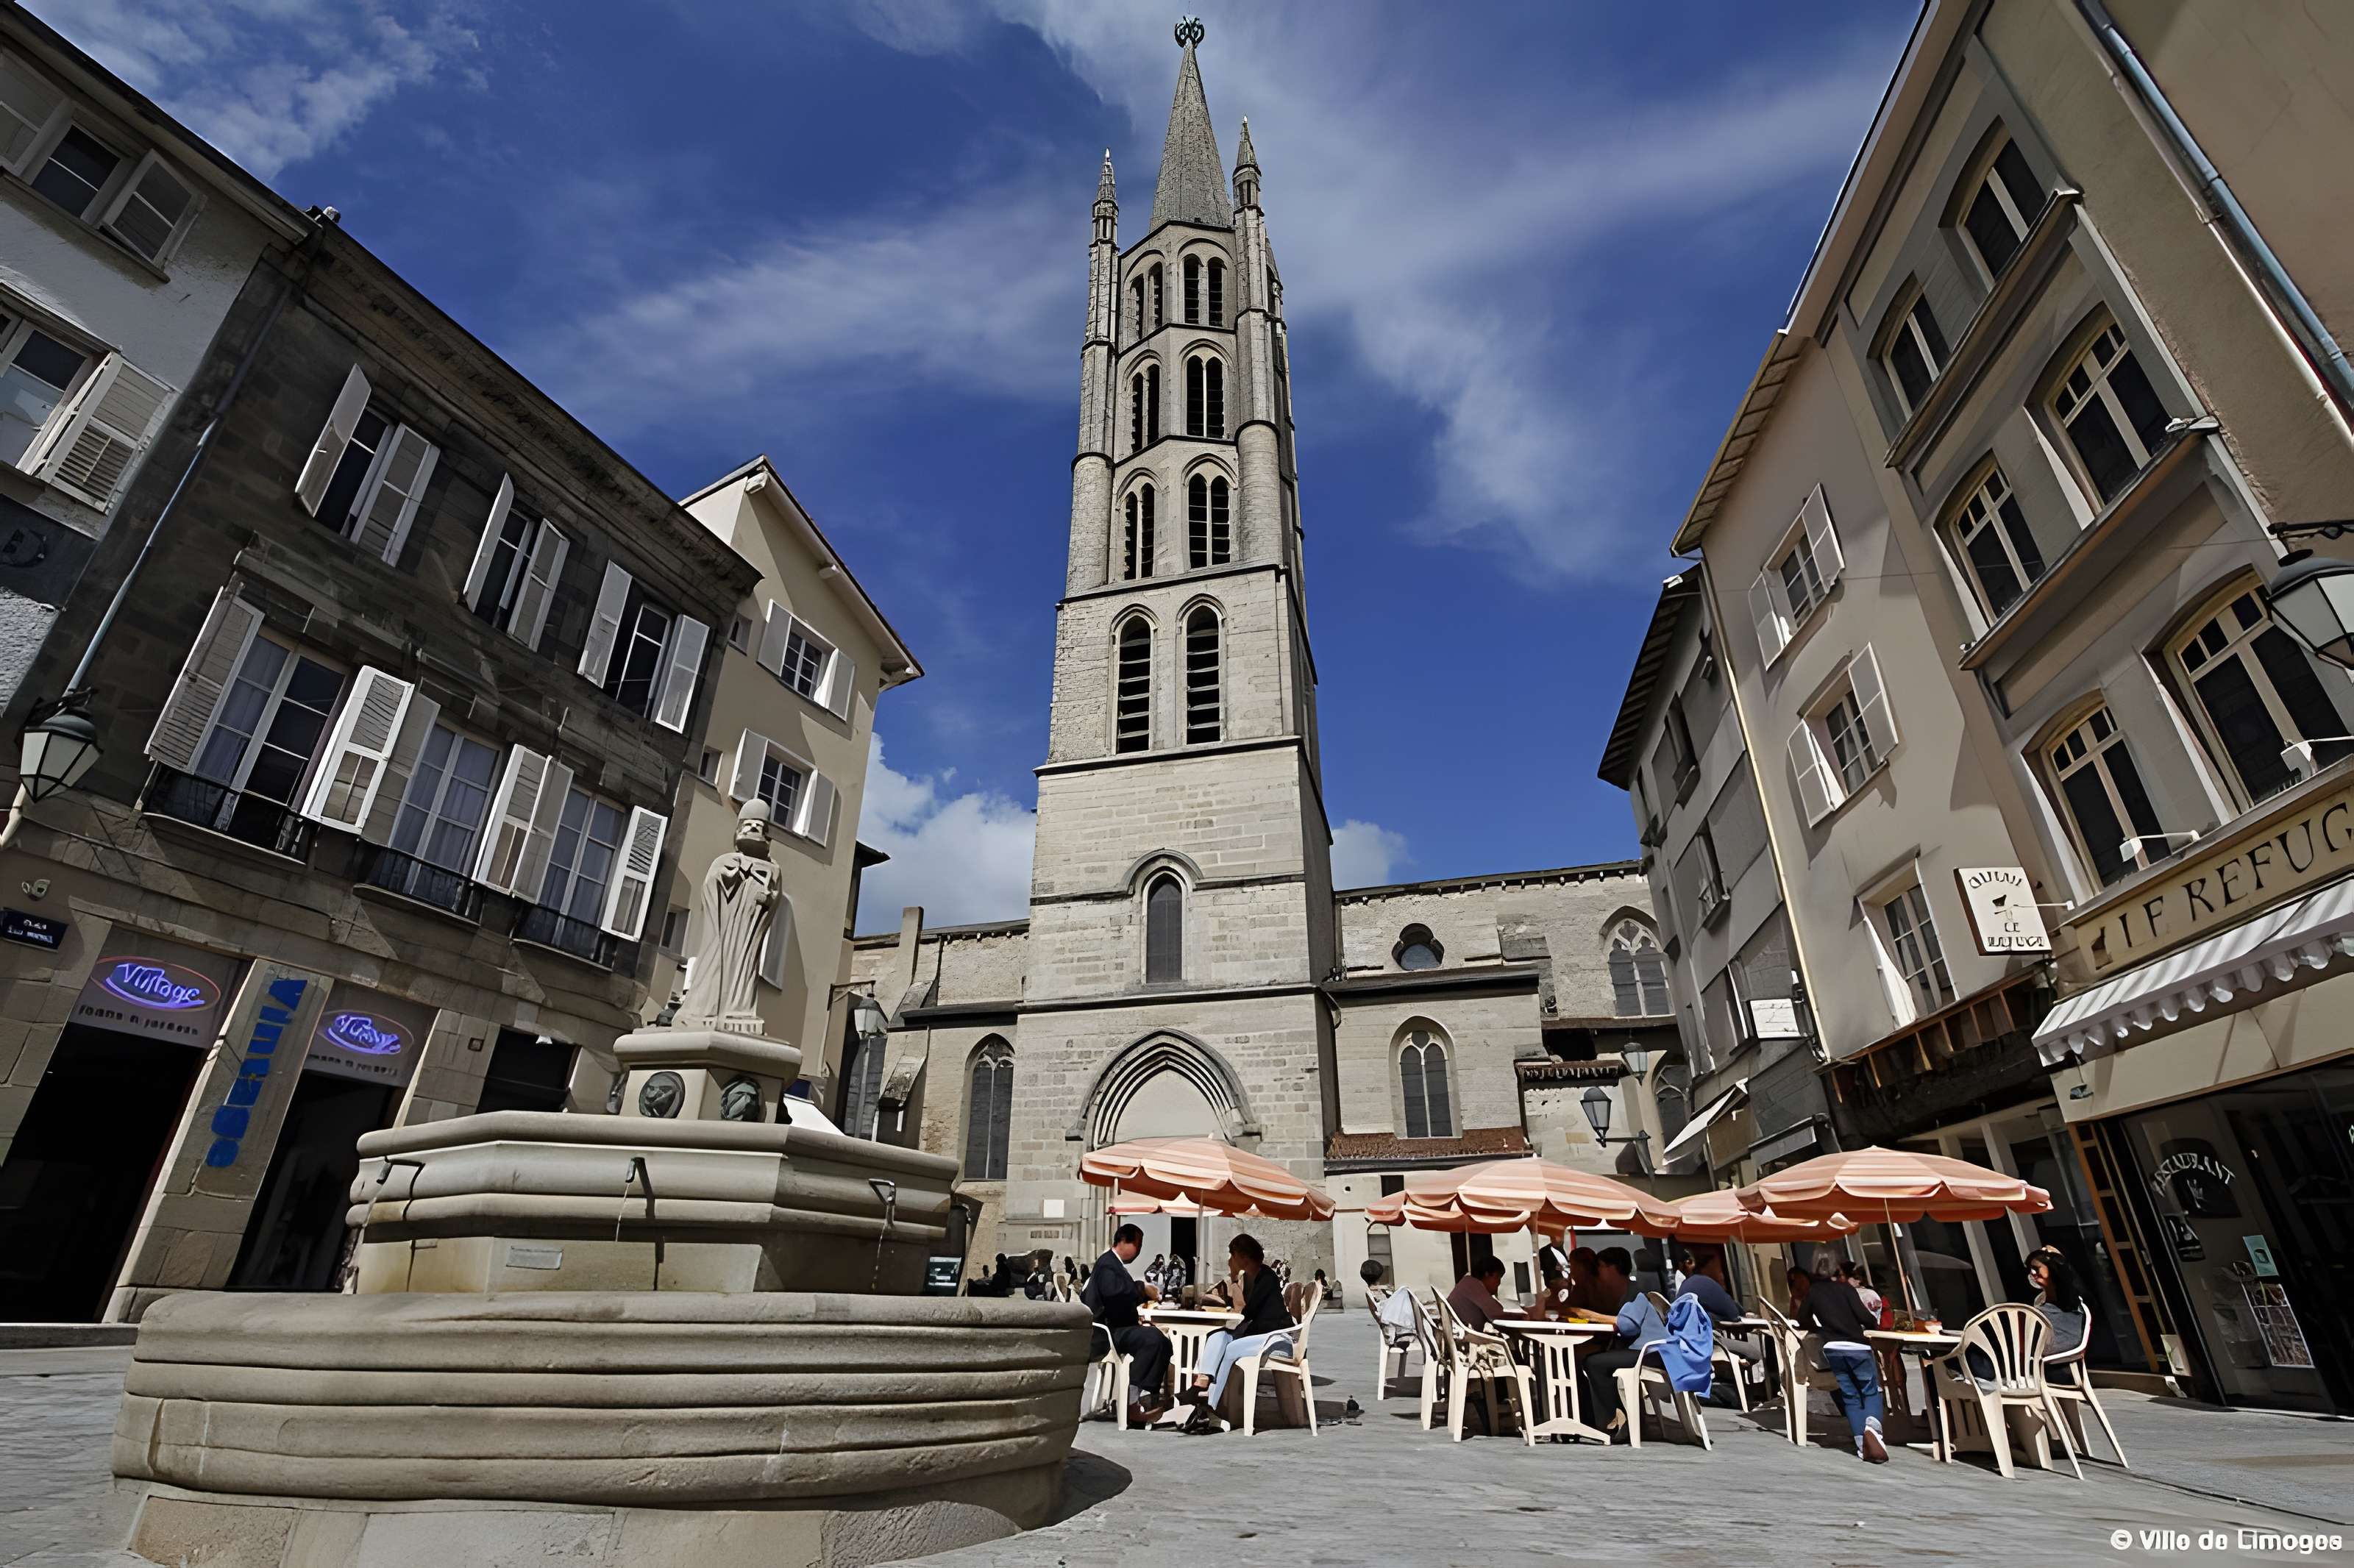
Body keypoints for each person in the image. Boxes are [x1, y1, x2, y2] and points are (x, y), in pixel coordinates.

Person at [1179, 1233, 1297, 1433]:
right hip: (1259, 1336)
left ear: (1243, 1257)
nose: (1229, 1260)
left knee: (1231, 1347)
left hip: (1277, 1338)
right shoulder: (1251, 1278)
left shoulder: (1265, 1278)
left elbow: (1245, 1312)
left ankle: (1211, 1407)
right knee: (1219, 1335)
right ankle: (1202, 1381)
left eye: (1232, 1255)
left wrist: (1233, 1279)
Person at [1799, 1263, 1888, 1463]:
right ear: (1837, 1273)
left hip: (1833, 1348)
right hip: (1857, 1346)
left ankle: (1860, 1445)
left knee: (1849, 1395)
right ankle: (1873, 1430)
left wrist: (1820, 1329)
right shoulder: (1846, 1289)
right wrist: (1873, 1323)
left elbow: (1801, 1319)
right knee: (1870, 1390)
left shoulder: (1814, 1292)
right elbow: (1864, 1317)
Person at [1087, 1223, 1173, 1427]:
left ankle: (1145, 1395)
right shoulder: (1108, 1265)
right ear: (1124, 1241)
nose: (1139, 1251)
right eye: (1138, 1245)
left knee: (1161, 1341)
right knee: (1152, 1339)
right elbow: (1115, 1296)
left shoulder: (1112, 1264)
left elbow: (1119, 1300)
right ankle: (1132, 1401)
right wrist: (1142, 1289)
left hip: (1117, 1326)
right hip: (1107, 1332)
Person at [1577, 1247, 1665, 1440]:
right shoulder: (1625, 1293)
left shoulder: (1635, 1294)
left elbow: (1628, 1326)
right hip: (1643, 1352)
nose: (1597, 1272)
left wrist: (1592, 1316)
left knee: (1594, 1363)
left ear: (1613, 1268)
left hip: (1650, 1354)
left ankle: (1614, 1417)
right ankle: (1603, 1416)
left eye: (1600, 1266)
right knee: (1591, 1359)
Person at [2027, 1247, 2089, 1362]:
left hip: (2058, 1354)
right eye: (2031, 1270)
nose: (2033, 1274)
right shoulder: (2041, 1299)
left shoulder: (2069, 1297)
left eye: (2036, 1269)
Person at [1445, 1257, 1523, 1332]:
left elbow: (1495, 1310)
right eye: (1497, 1277)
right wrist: (1523, 1317)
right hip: (1468, 1337)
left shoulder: (1469, 1282)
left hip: (1463, 1333)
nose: (1499, 1282)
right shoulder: (1473, 1285)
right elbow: (1497, 1314)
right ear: (1487, 1274)